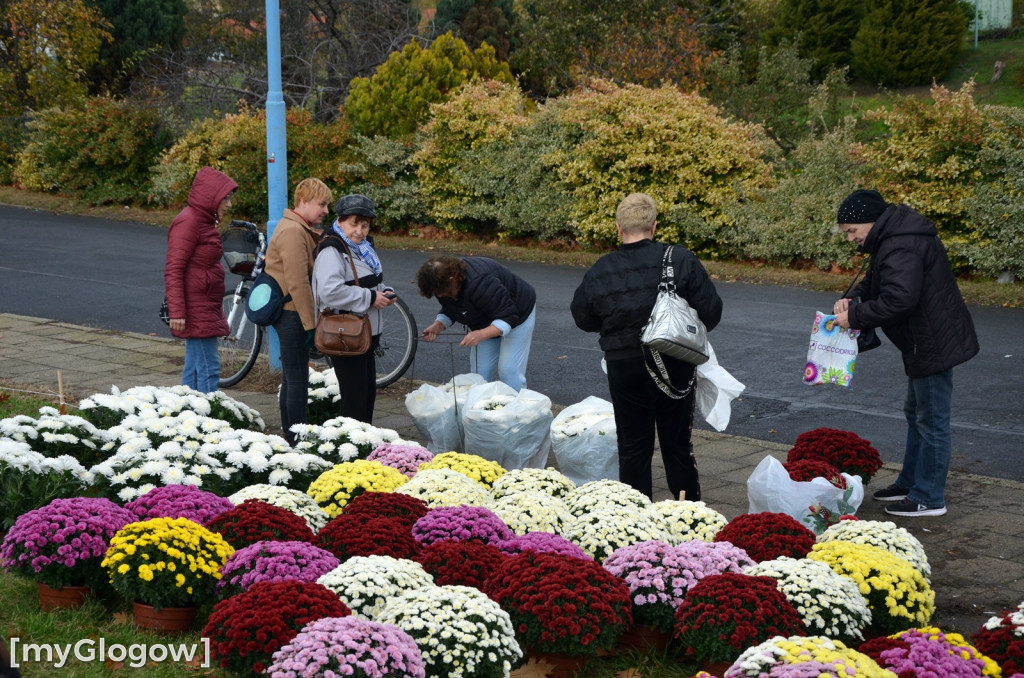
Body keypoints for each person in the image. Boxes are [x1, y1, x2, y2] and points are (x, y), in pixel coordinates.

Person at [833, 189, 979, 518]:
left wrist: (853, 317)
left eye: (852, 231)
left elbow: (899, 299)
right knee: (917, 413)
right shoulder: (893, 236)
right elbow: (876, 280)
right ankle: (911, 483)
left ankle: (928, 497)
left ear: (869, 222)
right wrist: (853, 298)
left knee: (931, 420)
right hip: (923, 339)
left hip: (932, 341)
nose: (851, 238)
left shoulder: (901, 242)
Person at [570, 193, 722, 501]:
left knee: (632, 445)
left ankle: (636, 517)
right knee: (676, 443)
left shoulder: (601, 268)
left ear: (618, 228)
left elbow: (582, 317)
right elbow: (712, 312)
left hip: (622, 363)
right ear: (653, 226)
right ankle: (687, 513)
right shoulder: (678, 259)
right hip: (672, 360)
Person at [311, 194, 395, 423]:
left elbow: (365, 280)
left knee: (366, 394)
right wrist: (370, 297)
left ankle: (365, 445)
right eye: (353, 224)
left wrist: (383, 292)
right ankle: (355, 449)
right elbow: (329, 292)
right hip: (346, 335)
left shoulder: (362, 248)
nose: (359, 230)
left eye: (364, 225)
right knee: (355, 400)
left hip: (364, 333)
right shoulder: (332, 250)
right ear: (339, 221)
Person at [262, 178, 333, 444]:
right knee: (297, 380)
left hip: (293, 312)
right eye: (321, 204)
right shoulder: (292, 231)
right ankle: (295, 439)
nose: (326, 210)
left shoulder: (297, 227)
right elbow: (298, 282)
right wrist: (310, 324)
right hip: (293, 313)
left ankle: (290, 434)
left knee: (293, 378)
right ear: (303, 202)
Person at [164, 166, 238, 393]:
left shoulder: (202, 221)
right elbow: (174, 268)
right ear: (211, 197)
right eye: (225, 198)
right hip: (195, 306)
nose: (229, 204)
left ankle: (187, 412)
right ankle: (209, 420)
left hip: (203, 305)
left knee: (195, 367)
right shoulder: (189, 222)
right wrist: (177, 312)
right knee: (208, 367)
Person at [417, 254, 537, 391]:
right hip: (486, 318)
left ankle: (518, 409)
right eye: (435, 293)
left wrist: (480, 334)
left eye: (440, 292)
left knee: (509, 371)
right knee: (479, 371)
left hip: (518, 312)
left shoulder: (481, 283)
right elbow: (453, 307)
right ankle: (480, 407)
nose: (439, 296)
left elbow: (508, 316)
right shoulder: (443, 285)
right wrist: (438, 325)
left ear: (453, 279)